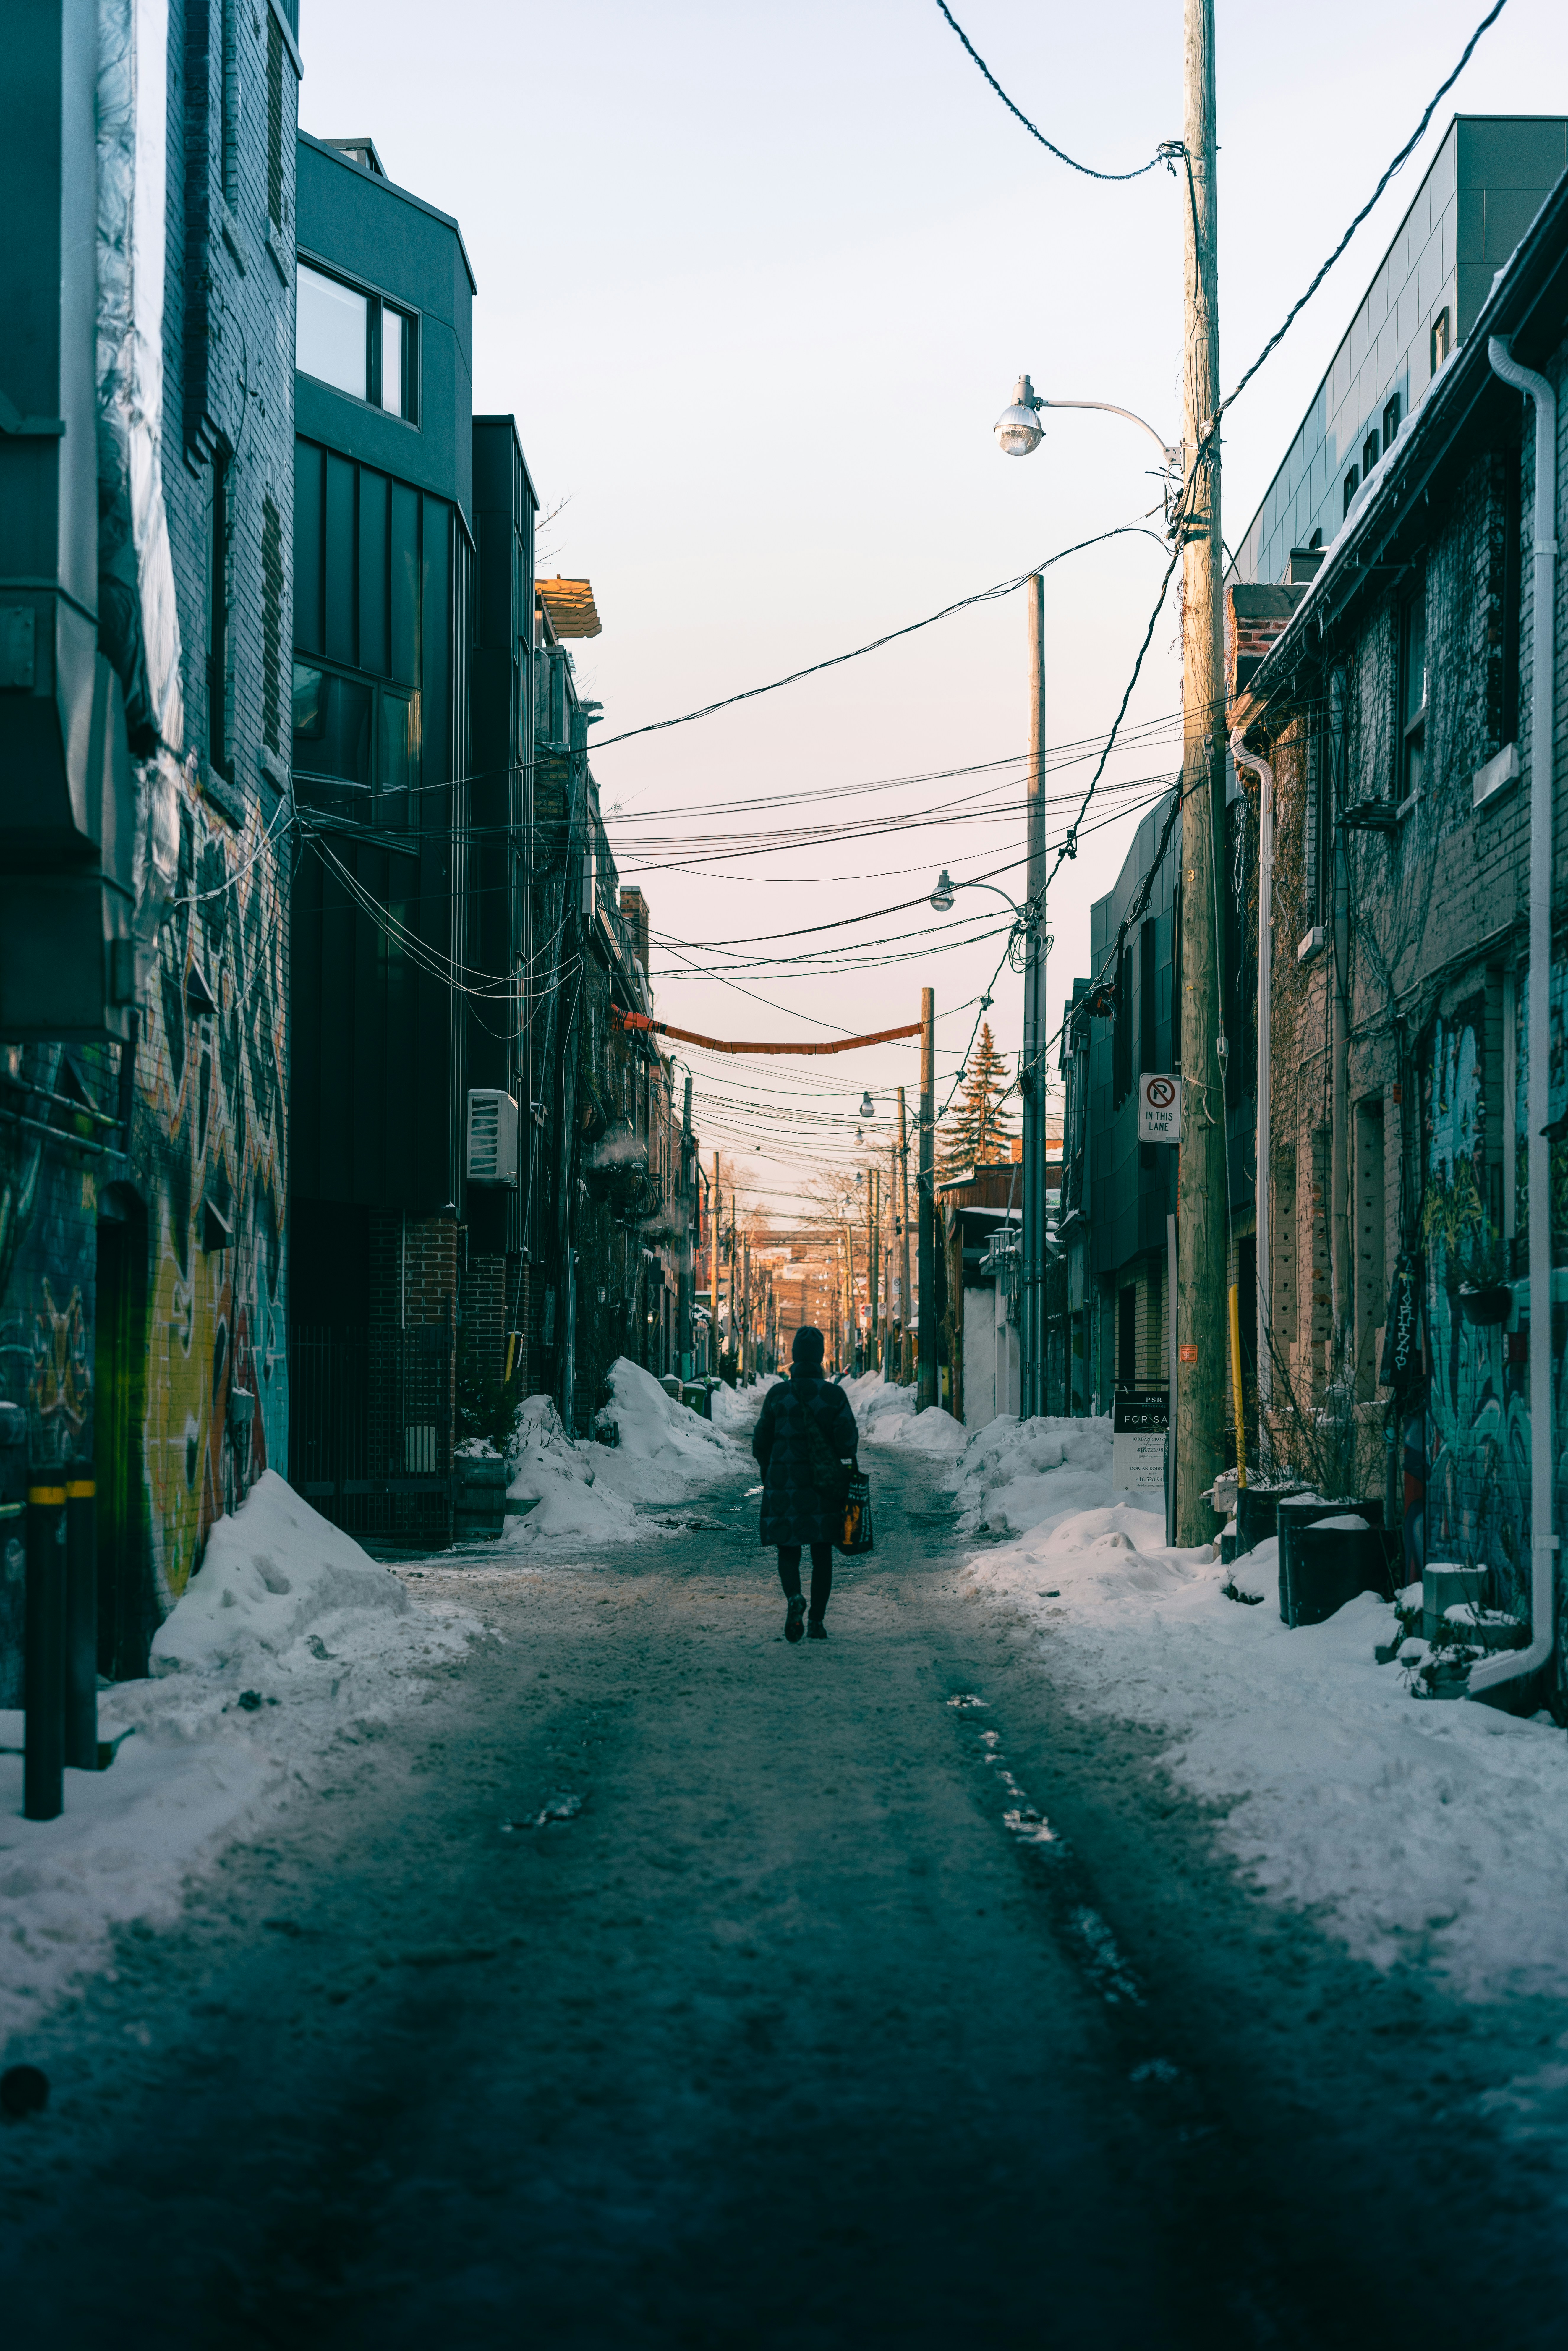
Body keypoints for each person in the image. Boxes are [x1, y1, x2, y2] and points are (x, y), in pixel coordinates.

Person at [751, 1325, 859, 1643]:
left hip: (783, 1484)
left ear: (795, 1357)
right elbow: (848, 1443)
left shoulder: (778, 1394)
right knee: (822, 1551)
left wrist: (768, 1471)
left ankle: (794, 1597)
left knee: (789, 1547)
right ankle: (816, 1622)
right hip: (825, 1487)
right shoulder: (834, 1395)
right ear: (821, 1357)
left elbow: (760, 1441)